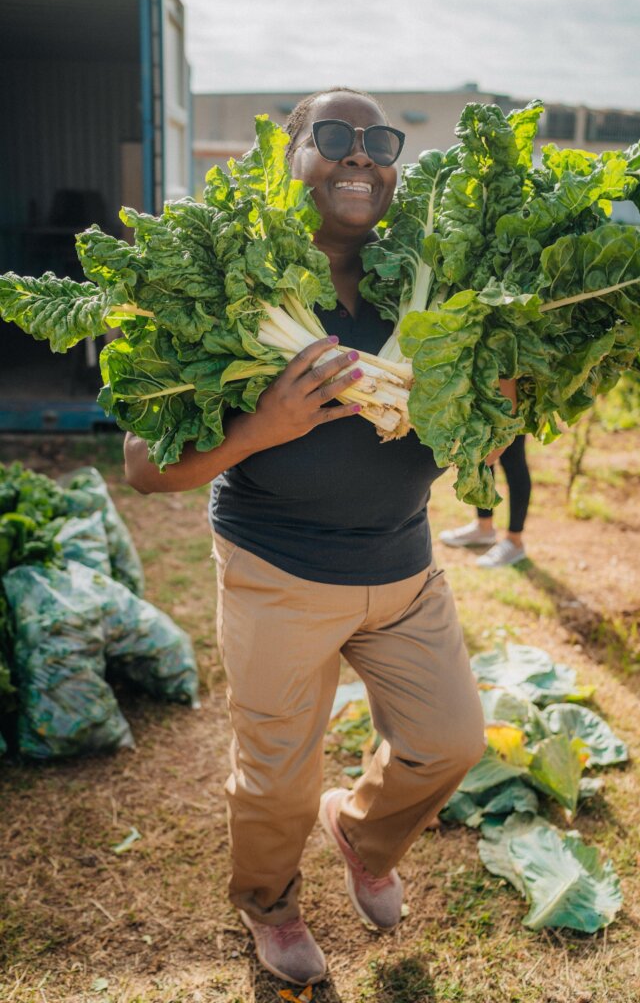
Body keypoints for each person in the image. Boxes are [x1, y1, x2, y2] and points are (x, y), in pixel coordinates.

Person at [124, 87, 487, 987]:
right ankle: (270, 904)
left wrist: (486, 402)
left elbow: (469, 419)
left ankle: (361, 834)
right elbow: (141, 464)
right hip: (276, 572)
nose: (359, 156)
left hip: (404, 566)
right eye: (333, 137)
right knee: (275, 783)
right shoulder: (237, 275)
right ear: (289, 157)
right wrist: (262, 427)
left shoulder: (425, 280)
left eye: (378, 141)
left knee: (450, 743)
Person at [439, 433, 531, 567]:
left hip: (512, 412)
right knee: (482, 449)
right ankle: (484, 528)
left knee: (513, 456)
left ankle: (514, 542)